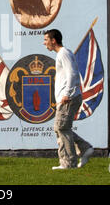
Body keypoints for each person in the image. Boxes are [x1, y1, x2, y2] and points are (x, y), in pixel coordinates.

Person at [43, 29, 94, 169]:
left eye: (46, 39)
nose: (44, 43)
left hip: (69, 98)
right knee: (61, 128)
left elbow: (72, 74)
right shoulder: (63, 53)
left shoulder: (63, 53)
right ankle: (85, 148)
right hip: (68, 98)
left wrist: (67, 94)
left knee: (61, 128)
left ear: (53, 40)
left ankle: (68, 163)